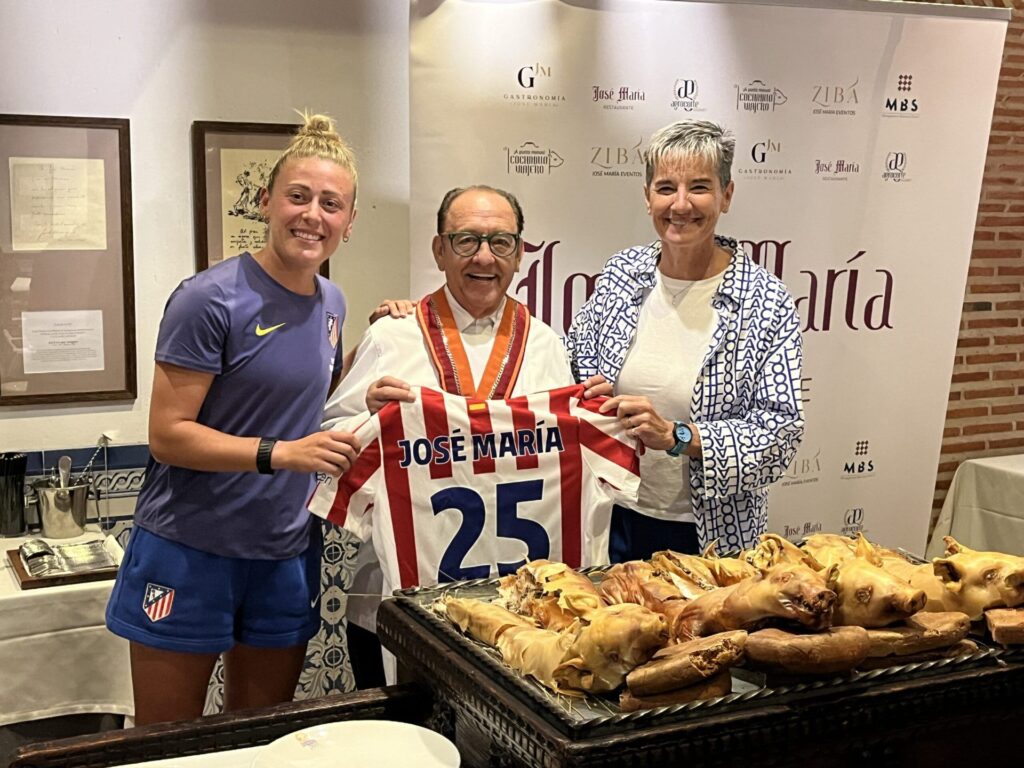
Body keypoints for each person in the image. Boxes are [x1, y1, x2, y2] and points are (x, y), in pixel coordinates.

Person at [106, 113, 361, 725]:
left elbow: (307, 395)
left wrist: (376, 348)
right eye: (298, 197)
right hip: (190, 548)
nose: (312, 215)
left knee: (261, 736)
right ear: (267, 202)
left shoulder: (333, 301)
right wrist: (281, 453)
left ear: (348, 224)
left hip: (282, 550)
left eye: (332, 204)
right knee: (165, 746)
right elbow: (169, 436)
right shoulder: (209, 298)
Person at [323, 185, 581, 688]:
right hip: (395, 604)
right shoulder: (391, 336)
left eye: (500, 241)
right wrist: (364, 426)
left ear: (521, 254)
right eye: (465, 240)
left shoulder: (548, 345)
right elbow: (328, 442)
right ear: (439, 250)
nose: (484, 256)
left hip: (520, 618)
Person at [566, 119, 804, 561]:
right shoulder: (621, 273)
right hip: (608, 516)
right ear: (646, 197)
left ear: (726, 195)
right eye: (665, 187)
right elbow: (570, 361)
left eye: (698, 187)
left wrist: (678, 436)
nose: (680, 205)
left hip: (709, 534)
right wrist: (585, 390)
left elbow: (781, 432)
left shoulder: (765, 301)